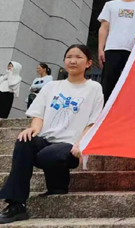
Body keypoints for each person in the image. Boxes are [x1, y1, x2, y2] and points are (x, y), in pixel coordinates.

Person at [0, 44, 103, 224]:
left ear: (88, 63)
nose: (72, 61)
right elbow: (38, 115)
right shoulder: (52, 86)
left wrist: (82, 143)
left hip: (70, 146)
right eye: (69, 57)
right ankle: (17, 204)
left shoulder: (94, 88)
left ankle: (58, 183)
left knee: (48, 154)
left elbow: (92, 122)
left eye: (78, 57)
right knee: (24, 141)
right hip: (47, 140)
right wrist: (33, 129)